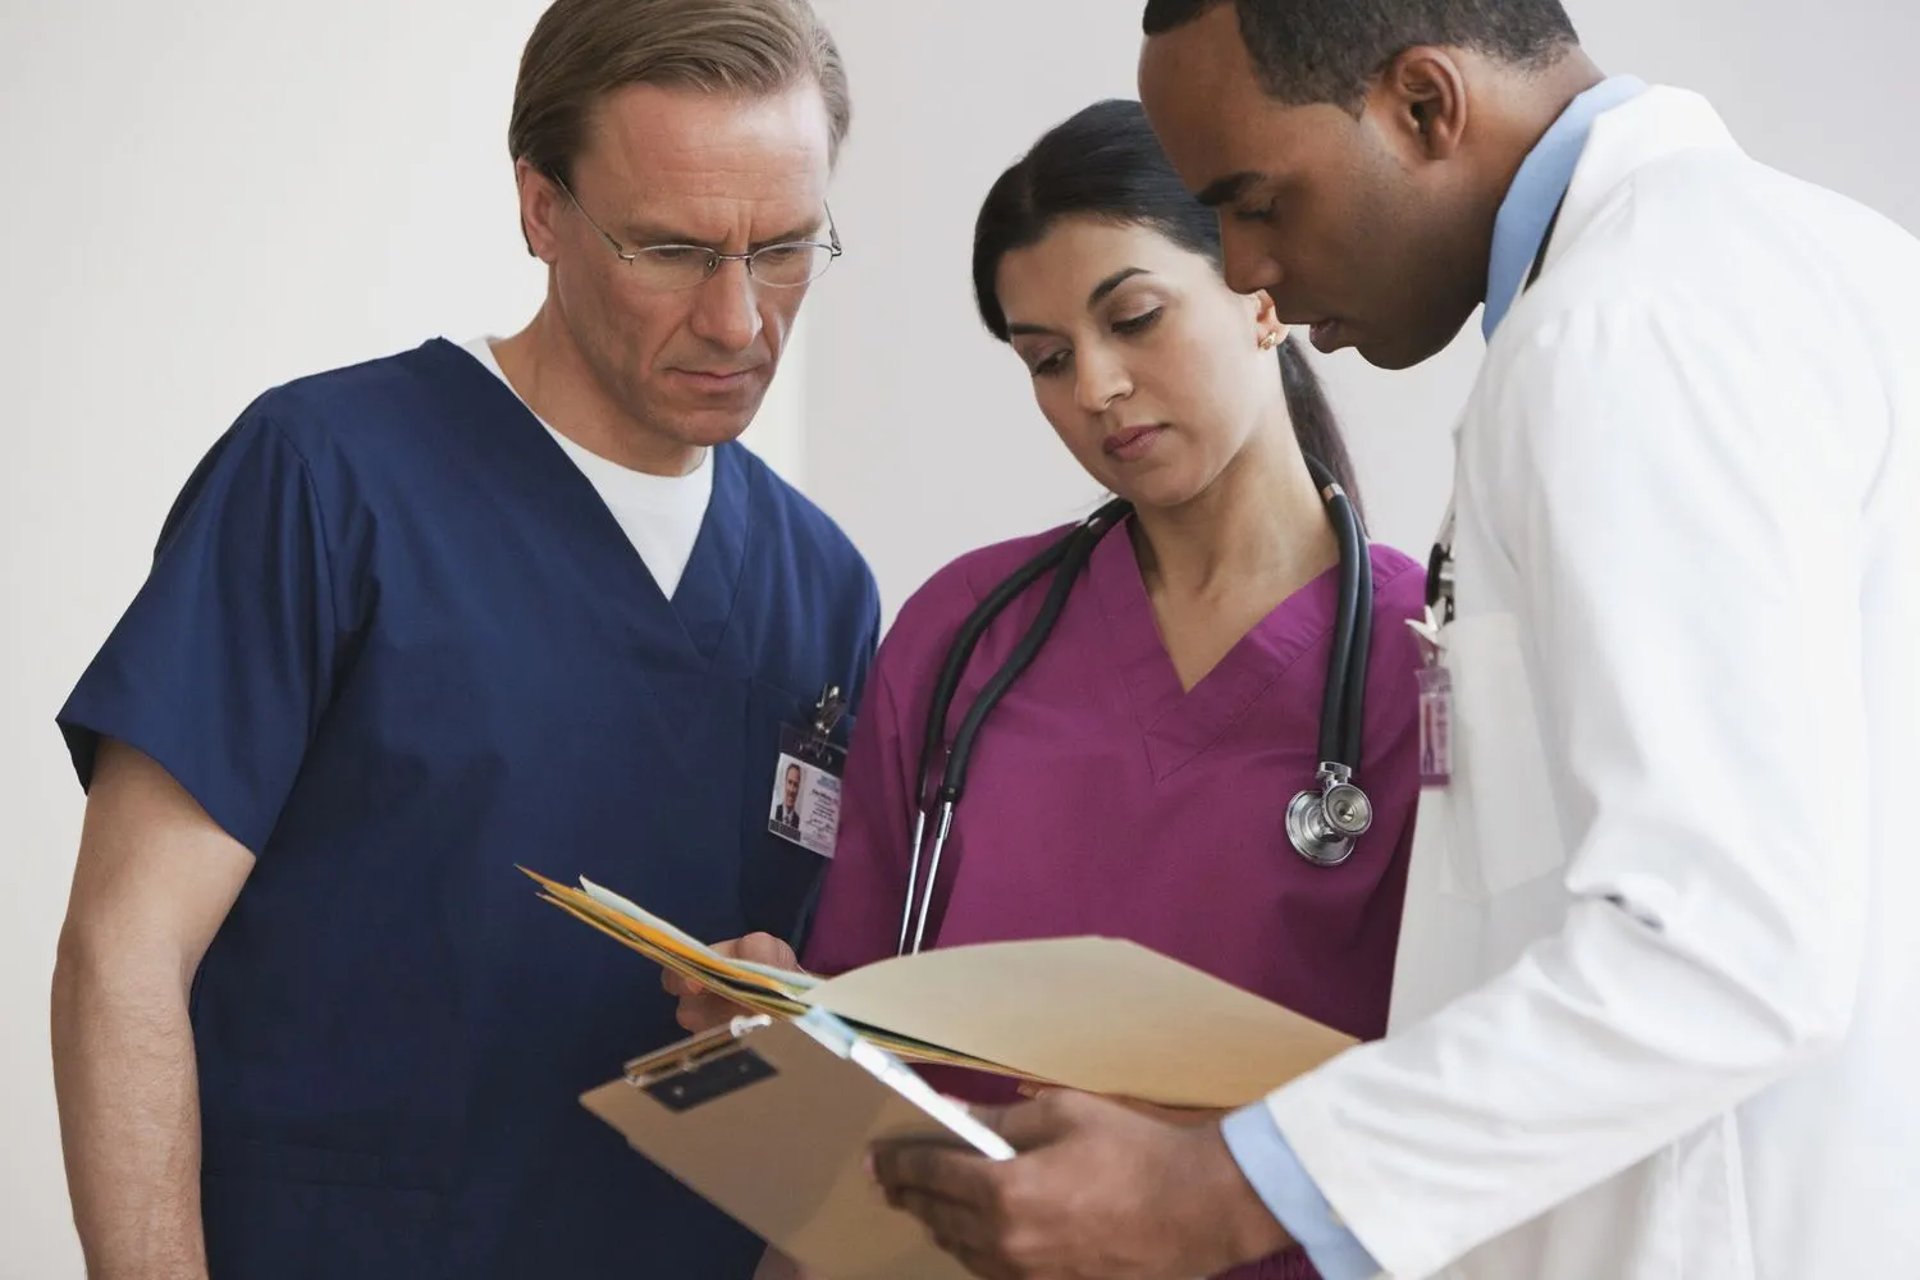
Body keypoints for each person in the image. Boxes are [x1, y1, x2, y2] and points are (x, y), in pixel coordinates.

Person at [870, 2, 1920, 1279]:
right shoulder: (1818, 264)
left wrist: (1223, 1185)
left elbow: (1722, 945)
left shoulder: (1621, 333)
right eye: (1044, 356)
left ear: (1425, 106)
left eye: (1256, 203)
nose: (1250, 269)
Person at [48, 2, 877, 1277]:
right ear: (541, 208)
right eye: (671, 248)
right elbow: (125, 950)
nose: (738, 321)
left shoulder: (820, 590)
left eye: (782, 249)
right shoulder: (326, 479)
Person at [672, 98, 1428, 1280]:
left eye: (1134, 317)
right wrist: (793, 1024)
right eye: (1048, 358)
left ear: (1263, 290)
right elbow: (865, 1030)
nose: (1100, 387)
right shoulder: (966, 634)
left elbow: (1465, 1089)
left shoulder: (1423, 666)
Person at [773, 762, 805, 829]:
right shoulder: (774, 812)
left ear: (798, 789)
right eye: (790, 782)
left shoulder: (800, 822)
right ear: (785, 783)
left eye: (795, 785)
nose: (791, 790)